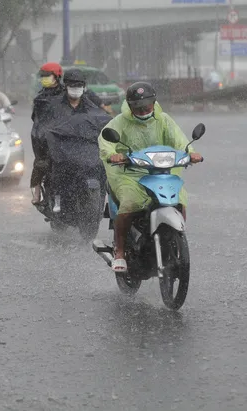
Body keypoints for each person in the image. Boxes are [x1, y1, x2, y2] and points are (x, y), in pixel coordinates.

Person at [98, 82, 203, 273]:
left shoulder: (163, 120)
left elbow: (180, 141)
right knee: (130, 203)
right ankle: (119, 251)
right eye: (138, 108)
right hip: (130, 174)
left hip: (161, 171)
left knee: (180, 198)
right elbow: (105, 141)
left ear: (154, 103)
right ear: (130, 107)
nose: (144, 110)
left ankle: (175, 236)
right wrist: (113, 155)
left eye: (148, 106)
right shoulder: (120, 122)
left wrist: (191, 153)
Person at [30, 68, 109, 207]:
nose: (75, 89)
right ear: (65, 86)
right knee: (42, 163)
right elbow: (43, 124)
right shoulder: (53, 105)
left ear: (84, 87)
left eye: (79, 86)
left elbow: (101, 118)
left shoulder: (89, 104)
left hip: (85, 149)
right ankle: (43, 194)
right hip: (61, 149)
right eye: (72, 86)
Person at [30, 62, 65, 204]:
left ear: (57, 77)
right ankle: (37, 193)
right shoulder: (40, 98)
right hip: (44, 139)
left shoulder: (66, 95)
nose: (44, 79)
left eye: (47, 76)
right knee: (40, 164)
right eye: (42, 76)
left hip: (64, 136)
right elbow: (36, 119)